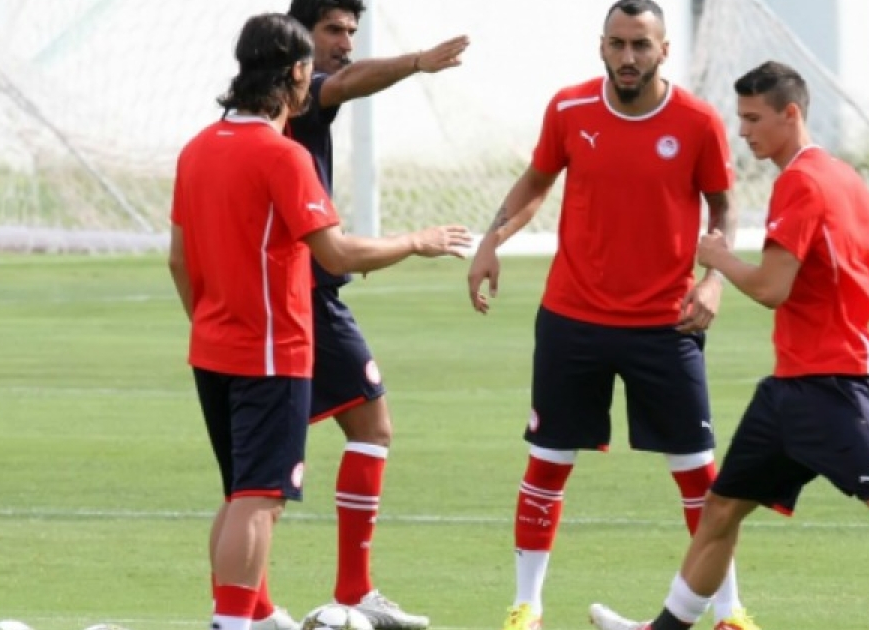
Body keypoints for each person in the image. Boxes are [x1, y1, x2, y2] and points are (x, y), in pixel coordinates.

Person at [586, 60, 869, 630]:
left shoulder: (800, 182)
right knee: (722, 508)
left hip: (827, 385)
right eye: (740, 118)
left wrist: (718, 259)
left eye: (753, 118)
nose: (743, 131)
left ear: (790, 114)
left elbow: (770, 289)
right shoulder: (842, 175)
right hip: (788, 390)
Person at [168, 13, 470, 630]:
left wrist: (210, 323)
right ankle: (236, 623)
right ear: (299, 72)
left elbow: (177, 258)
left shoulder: (196, 148)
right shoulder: (283, 155)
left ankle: (245, 617)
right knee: (261, 498)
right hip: (271, 351)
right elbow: (335, 253)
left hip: (212, 349)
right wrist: (416, 241)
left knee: (240, 494)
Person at [465, 2, 755, 630]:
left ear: (663, 50)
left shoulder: (698, 121)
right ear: (601, 46)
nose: (628, 57)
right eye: (618, 44)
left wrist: (714, 280)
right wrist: (491, 241)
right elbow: (536, 182)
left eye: (640, 45)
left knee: (698, 474)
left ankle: (729, 612)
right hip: (573, 319)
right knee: (548, 462)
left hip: (667, 322)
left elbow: (724, 207)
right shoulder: (569, 108)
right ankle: (526, 607)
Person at [281, 1, 470, 628]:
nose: (345, 43)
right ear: (299, 36)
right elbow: (346, 85)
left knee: (291, 448)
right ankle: (337, 593)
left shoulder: (252, 111)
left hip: (289, 292)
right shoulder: (300, 93)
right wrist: (416, 62)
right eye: (333, 30)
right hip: (303, 295)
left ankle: (261, 604)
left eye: (352, 32)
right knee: (359, 430)